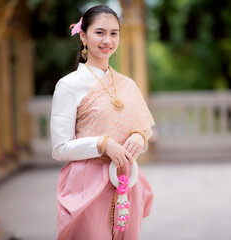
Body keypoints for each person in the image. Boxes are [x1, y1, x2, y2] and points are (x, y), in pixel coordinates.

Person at [50, 5, 155, 240]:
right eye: (100, 32)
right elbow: (59, 148)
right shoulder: (69, 86)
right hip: (85, 185)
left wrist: (139, 137)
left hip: (125, 183)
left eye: (114, 33)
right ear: (83, 36)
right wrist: (102, 144)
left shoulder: (127, 84)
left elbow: (141, 131)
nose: (107, 40)